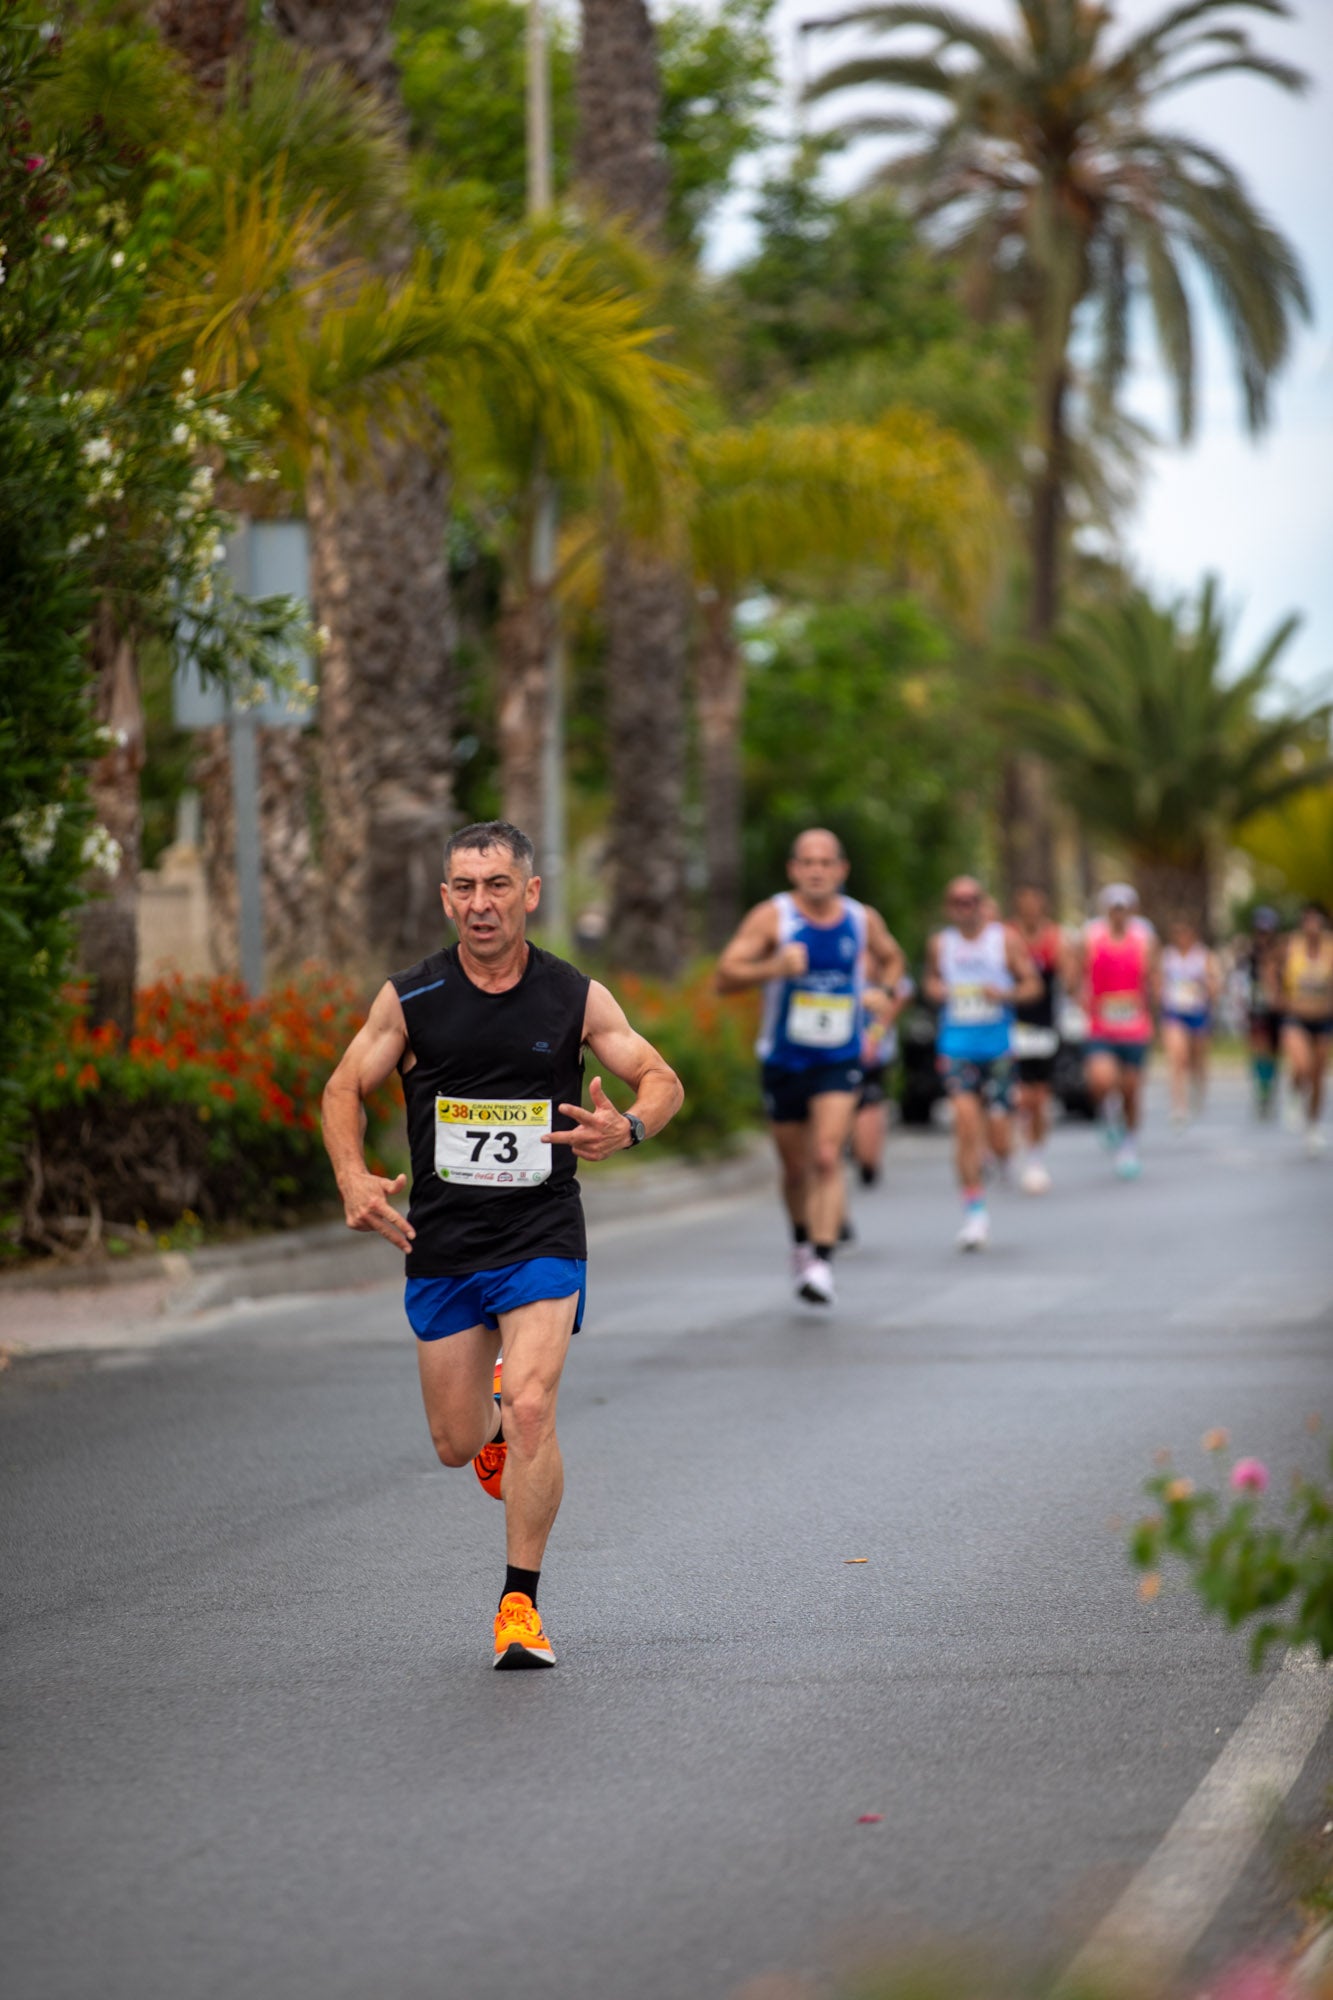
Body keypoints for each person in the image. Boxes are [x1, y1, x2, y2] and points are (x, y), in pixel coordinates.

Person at [321, 821, 683, 1671]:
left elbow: (660, 1078)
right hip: (443, 1239)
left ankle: (519, 1606)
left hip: (540, 1230)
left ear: (530, 892)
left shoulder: (572, 996)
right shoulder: (409, 998)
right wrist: (351, 1175)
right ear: (445, 897)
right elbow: (344, 1086)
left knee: (529, 1405)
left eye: (494, 885)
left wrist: (626, 1127)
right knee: (456, 1444)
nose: (477, 904)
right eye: (462, 887)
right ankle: (485, 1426)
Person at [716, 827, 904, 1305]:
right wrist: (772, 968)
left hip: (839, 1056)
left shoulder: (861, 920)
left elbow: (893, 959)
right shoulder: (773, 918)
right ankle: (801, 1241)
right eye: (807, 862)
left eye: (826, 863)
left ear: (841, 870)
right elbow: (725, 976)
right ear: (794, 870)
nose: (817, 871)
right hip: (784, 1059)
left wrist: (883, 994)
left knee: (826, 1155)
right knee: (795, 1167)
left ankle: (821, 1260)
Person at [923, 877, 1040, 1250]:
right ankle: (975, 1216)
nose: (965, 906)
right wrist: (935, 990)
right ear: (948, 907)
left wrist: (1003, 993)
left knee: (1000, 1134)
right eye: (957, 901)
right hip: (956, 1046)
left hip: (997, 1049)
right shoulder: (941, 944)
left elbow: (1033, 985)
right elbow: (929, 981)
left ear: (982, 903)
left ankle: (1004, 1158)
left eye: (971, 900)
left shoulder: (1002, 940)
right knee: (965, 1124)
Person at [1069, 883, 1159, 1180]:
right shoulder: (1092, 938)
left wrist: (1156, 1016)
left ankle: (1129, 1146)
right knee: (1100, 1080)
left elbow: (1153, 979)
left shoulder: (1144, 939)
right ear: (1107, 910)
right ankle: (1107, 1114)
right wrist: (1077, 997)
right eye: (1114, 909)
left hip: (1134, 1026)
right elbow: (1076, 973)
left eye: (1124, 909)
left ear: (1131, 911)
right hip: (1101, 1025)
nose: (1119, 914)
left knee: (1132, 1090)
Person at [1007, 884, 1065, 1194]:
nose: (1030, 908)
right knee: (1019, 1096)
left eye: (1035, 902)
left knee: (1039, 1097)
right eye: (1024, 903)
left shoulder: (1055, 939)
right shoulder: (1007, 937)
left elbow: (1069, 978)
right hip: (1011, 1025)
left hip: (1042, 1026)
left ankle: (1035, 1157)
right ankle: (1006, 1146)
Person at [1279, 900, 1333, 1154]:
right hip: (1296, 1017)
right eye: (1308, 920)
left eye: (1317, 920)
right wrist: (1279, 998)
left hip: (1323, 1018)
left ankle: (1312, 1125)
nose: (1312, 925)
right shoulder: (1291, 945)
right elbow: (1271, 970)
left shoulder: (1330, 948)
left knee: (1318, 1075)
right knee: (1303, 1065)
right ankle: (1293, 1090)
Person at [851, 974, 913, 1190]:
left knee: (870, 1102)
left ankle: (869, 1162)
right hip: (834, 1050)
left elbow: (902, 993)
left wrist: (875, 1035)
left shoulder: (881, 962)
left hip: (871, 1051)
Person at [1159, 916, 1221, 1124]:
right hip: (1174, 1012)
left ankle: (1198, 1088)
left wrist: (1210, 990)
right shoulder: (1168, 956)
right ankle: (1179, 1106)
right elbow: (1158, 981)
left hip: (1197, 1012)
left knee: (1197, 1059)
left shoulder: (1203, 956)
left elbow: (1214, 983)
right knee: (1178, 1058)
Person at [1236, 907, 1285, 1117]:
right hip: (1256, 1007)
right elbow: (1241, 980)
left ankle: (1269, 1085)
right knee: (1259, 1048)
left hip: (1276, 1009)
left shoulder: (1281, 953)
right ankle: (1261, 1090)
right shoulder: (1249, 953)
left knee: (1273, 1052)